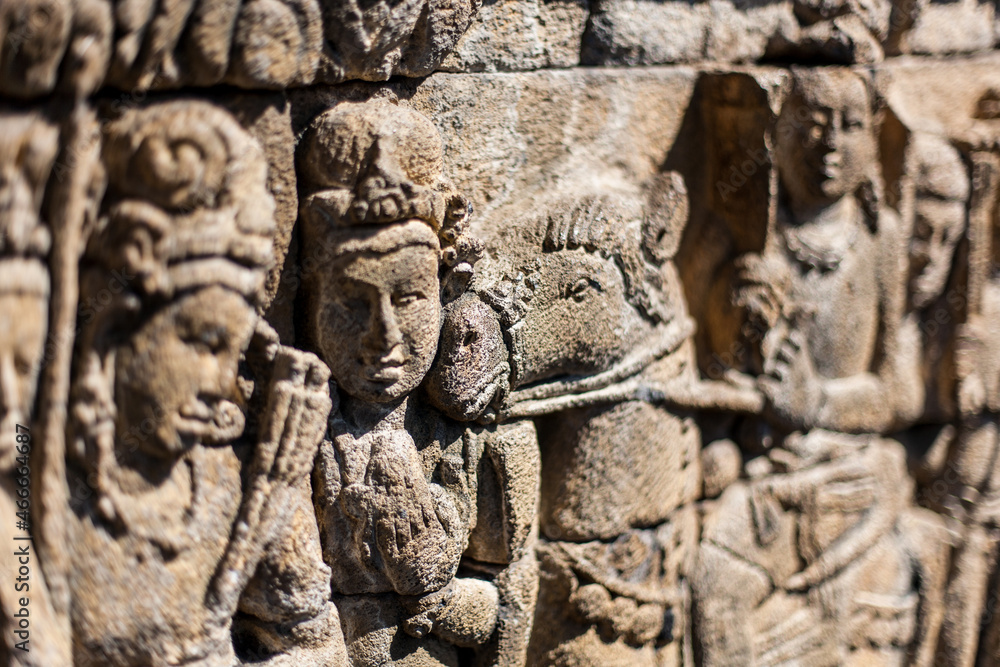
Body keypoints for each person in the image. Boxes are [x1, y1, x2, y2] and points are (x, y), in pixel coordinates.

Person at [66, 100, 344, 666]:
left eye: (235, 351)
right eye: (201, 343)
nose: (221, 383)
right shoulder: (32, 490)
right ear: (117, 326)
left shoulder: (234, 480)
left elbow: (319, 645)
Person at [299, 100, 532, 666]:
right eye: (353, 302)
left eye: (408, 298)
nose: (383, 336)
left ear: (446, 290)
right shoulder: (295, 440)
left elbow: (509, 611)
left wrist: (434, 592)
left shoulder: (478, 444)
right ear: (310, 305)